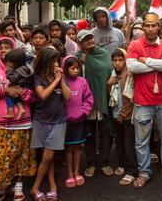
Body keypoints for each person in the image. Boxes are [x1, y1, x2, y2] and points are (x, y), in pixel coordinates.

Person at [0, 37, 36, 201]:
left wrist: (21, 93)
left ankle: (18, 186)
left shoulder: (26, 69)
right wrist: (4, 90)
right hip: (0, 122)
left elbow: (33, 97)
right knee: (1, 157)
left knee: (20, 156)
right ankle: (2, 186)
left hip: (22, 121)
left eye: (7, 47)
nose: (4, 50)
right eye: (1, 47)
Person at [126, 12, 162, 189]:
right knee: (141, 141)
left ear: (159, 27)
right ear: (143, 27)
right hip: (142, 102)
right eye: (146, 25)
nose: (150, 29)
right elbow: (132, 66)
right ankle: (144, 172)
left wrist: (146, 61)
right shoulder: (134, 45)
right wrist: (156, 63)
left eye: (153, 25)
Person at [30, 47, 71, 201]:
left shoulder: (59, 77)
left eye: (57, 60)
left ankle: (35, 188)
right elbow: (42, 95)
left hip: (58, 121)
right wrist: (55, 80)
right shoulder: (38, 77)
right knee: (47, 157)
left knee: (48, 155)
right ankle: (52, 185)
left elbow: (67, 97)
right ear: (46, 61)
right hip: (41, 120)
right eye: (53, 60)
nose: (56, 64)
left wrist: (61, 80)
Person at [74, 30, 113, 178]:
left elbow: (108, 72)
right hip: (85, 102)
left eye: (90, 37)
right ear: (80, 43)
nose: (89, 40)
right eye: (85, 39)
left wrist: (88, 60)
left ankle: (104, 162)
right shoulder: (77, 58)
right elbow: (73, 77)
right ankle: (90, 163)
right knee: (89, 133)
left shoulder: (102, 54)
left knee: (105, 132)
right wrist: (83, 62)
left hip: (102, 98)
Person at [61, 55, 93, 189]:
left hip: (79, 120)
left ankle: (77, 172)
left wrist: (82, 112)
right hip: (65, 121)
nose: (76, 71)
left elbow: (88, 99)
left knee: (78, 148)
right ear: (65, 68)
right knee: (68, 148)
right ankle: (69, 174)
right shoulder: (61, 82)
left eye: (77, 68)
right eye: (72, 68)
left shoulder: (82, 81)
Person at [108, 48, 137, 186]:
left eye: (121, 60)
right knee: (118, 141)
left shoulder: (129, 75)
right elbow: (109, 94)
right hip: (115, 113)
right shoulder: (113, 75)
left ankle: (132, 170)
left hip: (126, 115)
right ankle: (122, 164)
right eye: (114, 60)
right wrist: (109, 83)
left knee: (128, 143)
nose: (117, 63)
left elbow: (131, 97)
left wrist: (122, 114)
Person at [3, 49, 34, 119]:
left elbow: (12, 78)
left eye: (10, 62)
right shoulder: (26, 67)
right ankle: (21, 109)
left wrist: (8, 71)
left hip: (20, 88)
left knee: (9, 96)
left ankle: (10, 113)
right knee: (17, 100)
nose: (8, 64)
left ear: (16, 62)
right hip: (22, 88)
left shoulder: (21, 69)